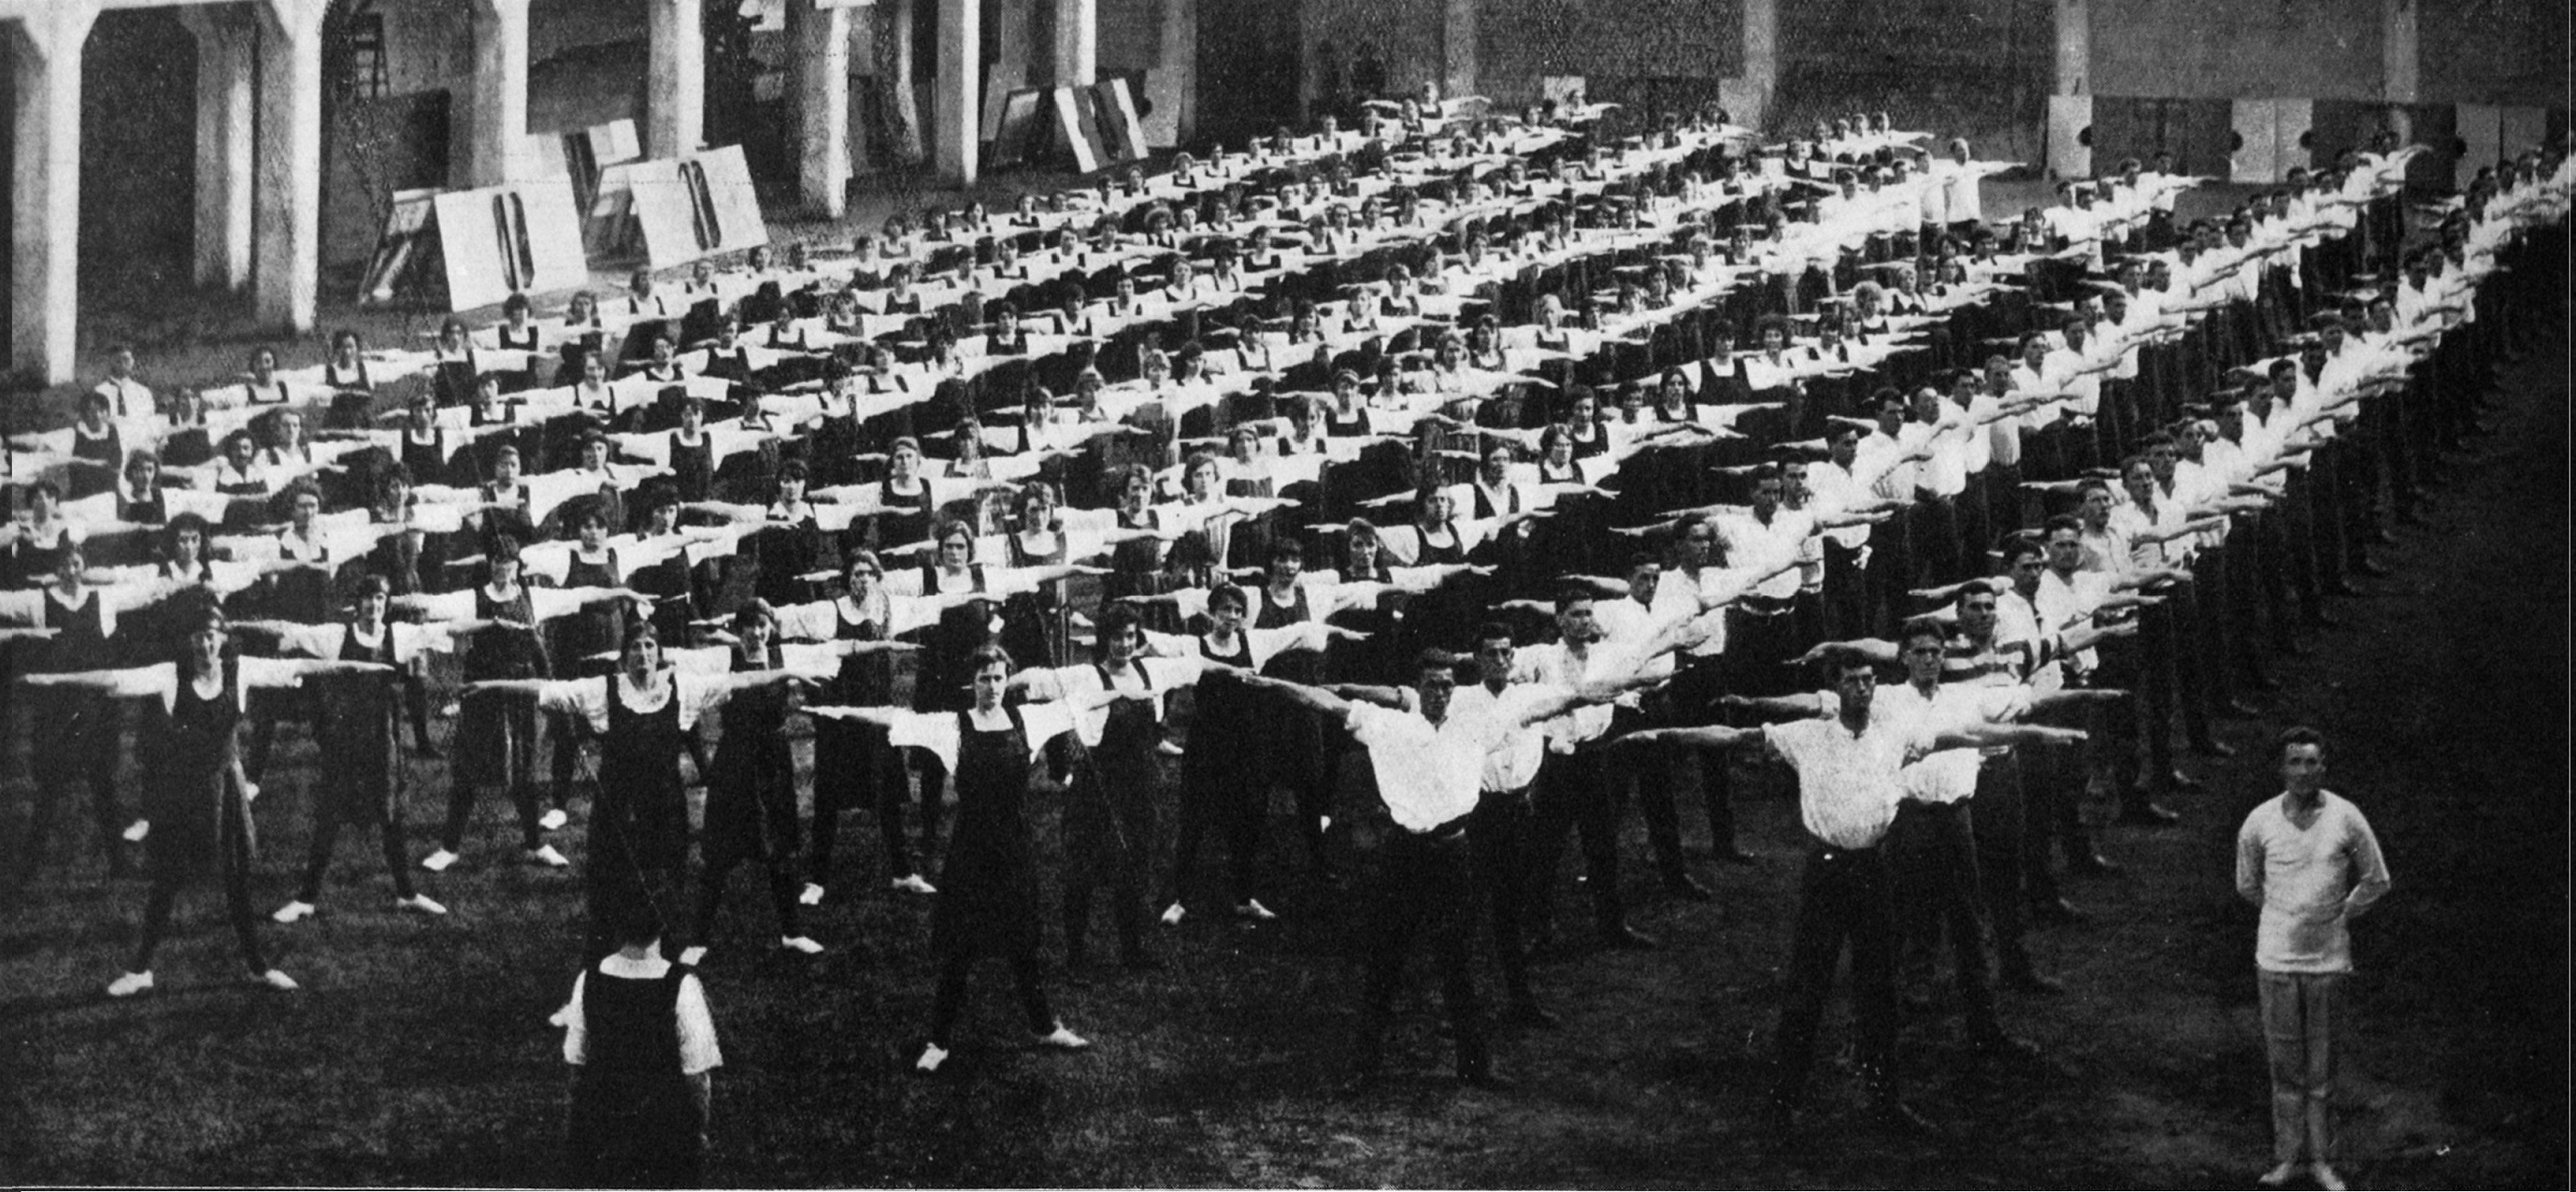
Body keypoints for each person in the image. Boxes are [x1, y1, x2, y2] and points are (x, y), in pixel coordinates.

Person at [1611, 649, 2083, 1134]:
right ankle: (1781, 1104)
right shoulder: (1807, 736)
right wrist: (1659, 735)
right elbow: (1732, 737)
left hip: (1876, 871)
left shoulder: (1896, 735)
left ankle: (1885, 1103)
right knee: (1807, 987)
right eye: (1853, 681)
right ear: (1835, 689)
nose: (1863, 688)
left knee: (1879, 990)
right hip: (1828, 874)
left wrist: (2037, 733)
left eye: (1869, 680)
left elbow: (1973, 735)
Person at [1239, 648, 1655, 1091]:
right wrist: (1269, 684)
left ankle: (1474, 1066)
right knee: (1386, 959)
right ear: (1417, 688)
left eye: (1447, 686)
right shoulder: (1388, 724)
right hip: (1404, 855)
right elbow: (1322, 702)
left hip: (1454, 854)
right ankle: (1364, 1066)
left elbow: (1563, 702)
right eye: (1432, 685)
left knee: (1457, 960)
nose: (1440, 693)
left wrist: (1629, 683)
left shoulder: (1476, 728)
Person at [22, 608, 394, 998]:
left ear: (223, 639)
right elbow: (114, 678)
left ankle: (257, 968)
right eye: (199, 636)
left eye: (213, 635)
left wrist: (364, 666)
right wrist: (51, 678)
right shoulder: (170, 676)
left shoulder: (242, 671)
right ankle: (140, 971)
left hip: (225, 793)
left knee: (236, 885)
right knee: (167, 883)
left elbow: (307, 665)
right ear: (189, 641)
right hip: (183, 793)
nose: (206, 643)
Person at [810, 644, 1108, 1074]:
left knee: (1023, 944)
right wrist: (836, 711)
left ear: (1009, 680)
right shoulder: (952, 726)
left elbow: (1081, 702)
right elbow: (892, 717)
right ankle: (939, 1040)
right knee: (961, 951)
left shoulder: (1030, 719)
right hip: (972, 851)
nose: (992, 686)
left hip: (1015, 848)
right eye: (985, 678)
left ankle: (1044, 1027)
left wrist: (1129, 690)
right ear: (973, 683)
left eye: (999, 678)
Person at [237, 576, 457, 922]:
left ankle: (407, 893)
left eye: (381, 598)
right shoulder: (337, 636)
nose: (374, 605)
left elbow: (447, 630)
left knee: (391, 818)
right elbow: (289, 629)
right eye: (369, 599)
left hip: (383, 742)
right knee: (329, 818)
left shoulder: (397, 636)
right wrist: (237, 625)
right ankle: (306, 899)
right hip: (345, 741)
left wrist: (494, 622)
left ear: (387, 603)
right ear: (358, 604)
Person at [2235, 726, 2389, 1192]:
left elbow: (2376, 878)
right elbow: (2247, 884)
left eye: (2312, 762)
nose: (2303, 771)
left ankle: (2323, 1161)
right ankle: (2287, 1159)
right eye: (2294, 762)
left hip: (2328, 964)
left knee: (2321, 1072)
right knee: (2285, 1069)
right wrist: (2285, 916)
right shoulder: (2259, 821)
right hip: (2276, 962)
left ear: (2324, 768)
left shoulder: (2346, 817)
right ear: (2281, 769)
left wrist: (2339, 914)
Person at [560, 898, 722, 1188]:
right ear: (663, 927)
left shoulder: (588, 980)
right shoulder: (682, 986)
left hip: (602, 1129)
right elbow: (697, 1075)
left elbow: (576, 1062)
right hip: (663, 1134)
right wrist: (699, 1130)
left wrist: (577, 1126)